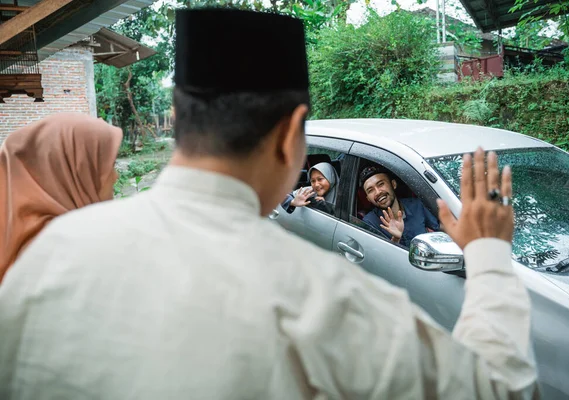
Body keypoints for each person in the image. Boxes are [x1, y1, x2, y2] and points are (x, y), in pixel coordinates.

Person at [0, 8, 538, 399]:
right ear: (290, 139)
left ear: (179, 124)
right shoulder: (328, 300)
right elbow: (499, 388)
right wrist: (489, 253)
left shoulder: (46, 258)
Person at [0, 113, 122, 283]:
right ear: (70, 171)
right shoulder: (64, 255)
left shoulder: (15, 237)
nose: (115, 177)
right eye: (108, 166)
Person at [359, 165, 441, 246]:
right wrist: (395, 239)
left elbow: (439, 231)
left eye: (381, 184)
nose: (378, 192)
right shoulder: (370, 222)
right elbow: (379, 256)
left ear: (393, 184)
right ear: (368, 199)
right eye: (370, 190)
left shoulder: (417, 206)